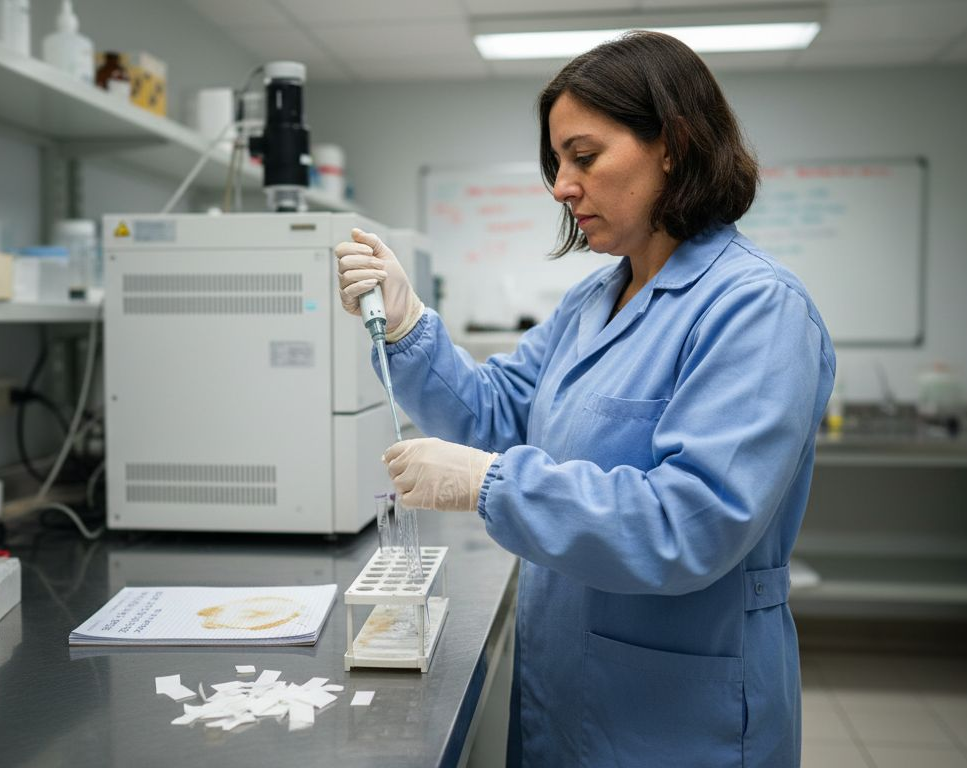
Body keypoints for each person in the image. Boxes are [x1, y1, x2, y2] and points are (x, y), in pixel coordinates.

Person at [335, 31, 835, 768]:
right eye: (558, 162)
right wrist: (410, 327)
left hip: (679, 711)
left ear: (671, 144)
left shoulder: (756, 309)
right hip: (569, 686)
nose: (562, 186)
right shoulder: (593, 300)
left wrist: (490, 483)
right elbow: (496, 412)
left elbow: (689, 523)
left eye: (585, 156)